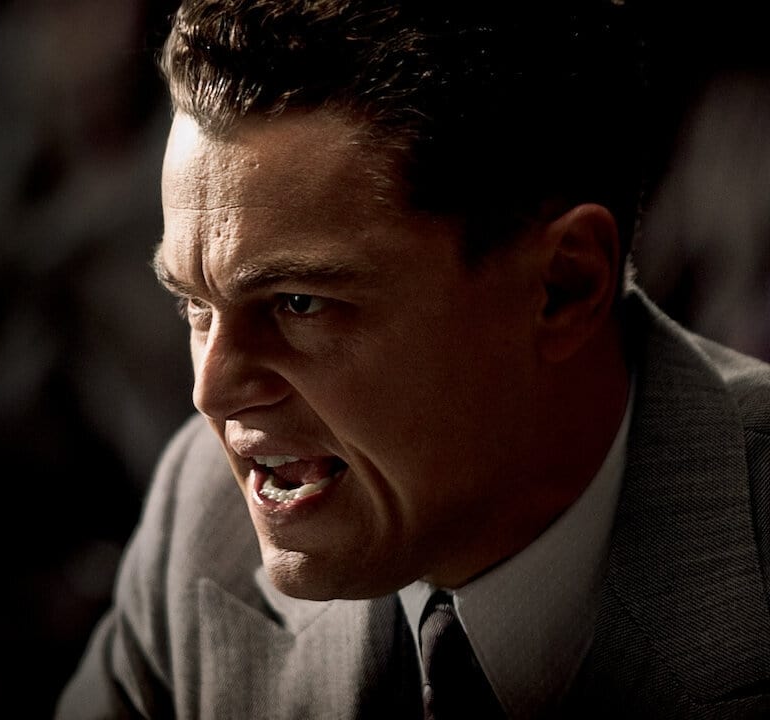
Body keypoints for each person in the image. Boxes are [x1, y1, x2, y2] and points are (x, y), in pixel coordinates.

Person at [55, 1, 770, 718]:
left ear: (563, 286)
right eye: (196, 305)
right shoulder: (200, 524)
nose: (211, 393)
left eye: (299, 303)